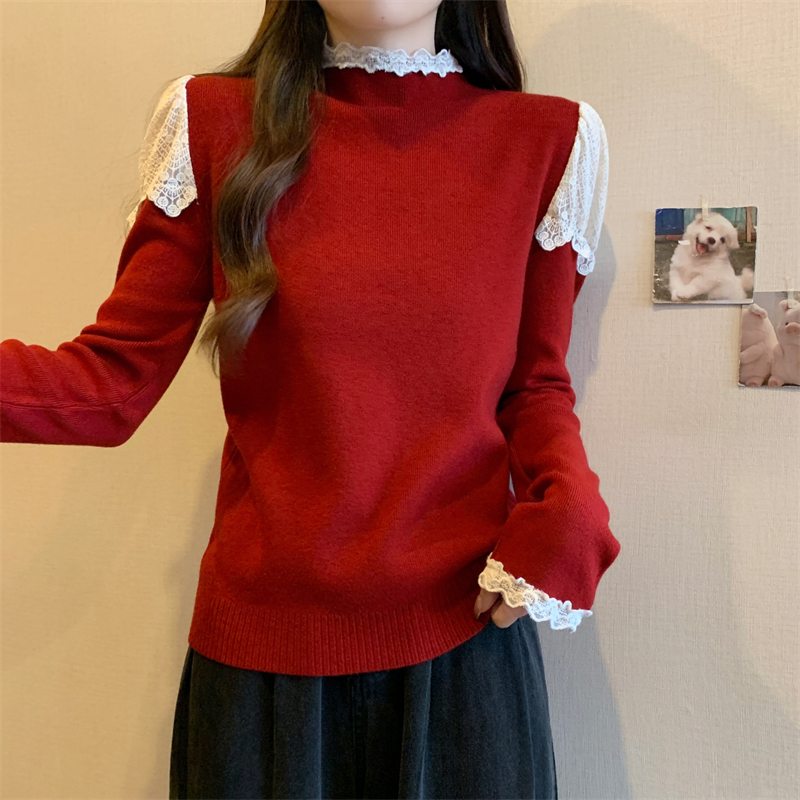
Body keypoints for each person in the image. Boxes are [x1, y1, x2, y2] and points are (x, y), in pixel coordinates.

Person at [0, 1, 621, 797]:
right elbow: (106, 386)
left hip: (465, 649)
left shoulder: (550, 141)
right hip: (259, 673)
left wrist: (567, 503)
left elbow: (534, 384)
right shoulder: (210, 123)